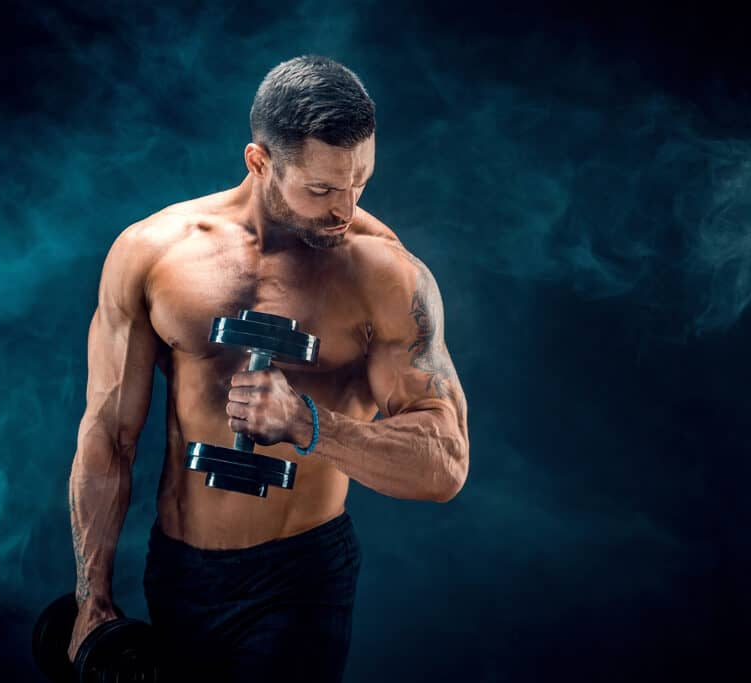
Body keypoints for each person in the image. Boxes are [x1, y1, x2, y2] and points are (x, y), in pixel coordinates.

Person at [67, 55, 470, 682]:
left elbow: (445, 465)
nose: (346, 206)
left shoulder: (386, 276)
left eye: (360, 181)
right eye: (322, 189)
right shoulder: (153, 253)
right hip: (177, 568)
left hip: (299, 575)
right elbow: (109, 433)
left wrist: (312, 425)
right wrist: (90, 599)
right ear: (259, 162)